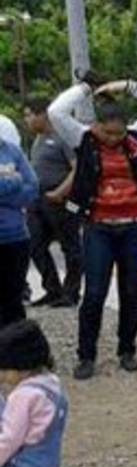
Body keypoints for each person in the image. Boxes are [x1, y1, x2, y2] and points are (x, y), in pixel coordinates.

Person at [47, 78, 137, 381]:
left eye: (119, 133)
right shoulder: (83, 138)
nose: (113, 139)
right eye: (107, 132)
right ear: (96, 126)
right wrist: (88, 87)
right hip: (98, 228)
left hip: (135, 227)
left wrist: (128, 86)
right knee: (94, 293)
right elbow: (56, 111)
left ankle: (127, 350)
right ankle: (86, 355)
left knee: (130, 291)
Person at [0, 320, 67, 467]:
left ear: (22, 367)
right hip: (47, 466)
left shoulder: (23, 396)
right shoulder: (52, 384)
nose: (2, 376)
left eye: (5, 370)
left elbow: (8, 440)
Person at [23, 99, 81, 309]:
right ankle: (52, 289)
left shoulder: (62, 137)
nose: (27, 120)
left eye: (29, 115)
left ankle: (71, 292)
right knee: (34, 244)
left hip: (61, 201)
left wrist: (60, 192)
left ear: (43, 115)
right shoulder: (38, 140)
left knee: (70, 247)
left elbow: (77, 168)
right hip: (38, 201)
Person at [0, 138, 39, 327]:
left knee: (13, 301)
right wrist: (14, 181)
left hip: (15, 238)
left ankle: (12, 342)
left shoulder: (12, 151)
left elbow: (32, 189)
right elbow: (22, 184)